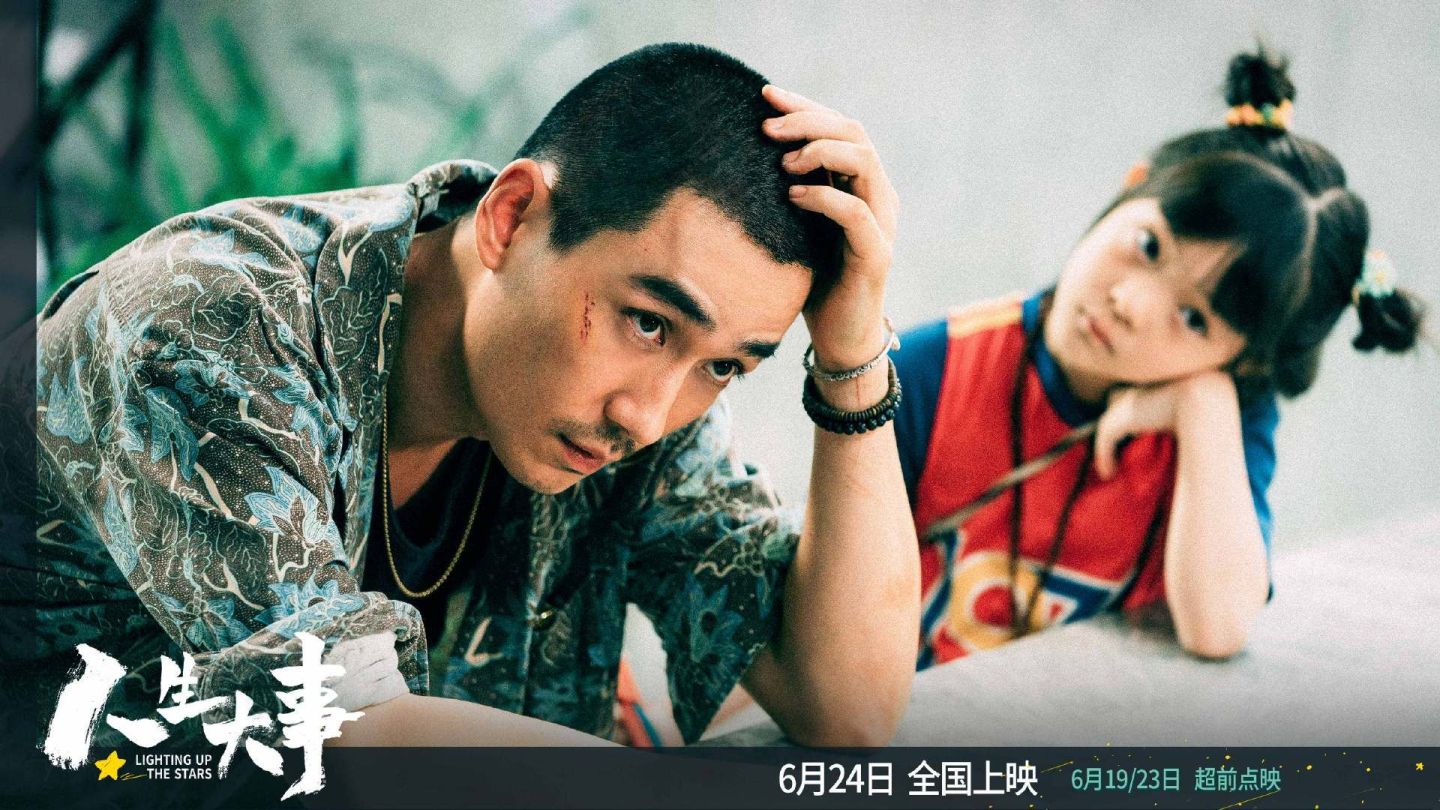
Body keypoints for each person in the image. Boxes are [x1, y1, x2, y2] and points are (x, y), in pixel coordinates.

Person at [15, 42, 919, 754]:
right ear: (511, 217)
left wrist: (851, 352)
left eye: (724, 367)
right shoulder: (207, 326)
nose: (646, 416)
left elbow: (845, 707)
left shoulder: (638, 410)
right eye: (648, 323)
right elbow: (355, 733)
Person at [891, 47, 1425, 668]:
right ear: (1133, 185)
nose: (1131, 305)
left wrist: (1204, 406)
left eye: (1195, 319)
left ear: (1245, 363)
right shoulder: (931, 369)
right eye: (1149, 246)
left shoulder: (1222, 421)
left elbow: (1217, 627)